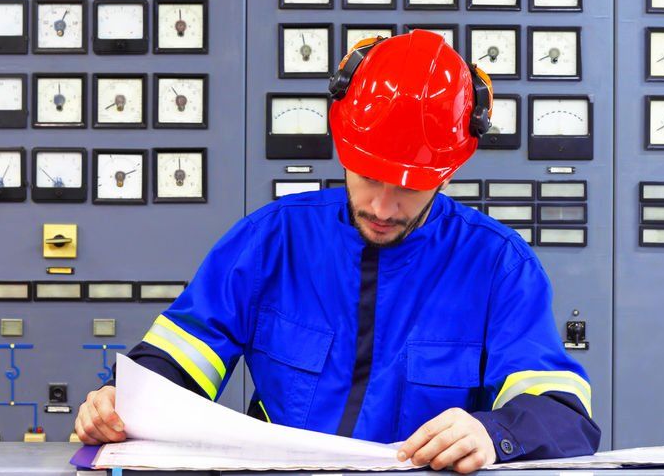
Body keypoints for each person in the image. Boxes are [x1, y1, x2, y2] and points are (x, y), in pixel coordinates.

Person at [75, 30, 601, 472]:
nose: (383, 206)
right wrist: (115, 404)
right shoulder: (271, 242)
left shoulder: (499, 267)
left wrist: (495, 433)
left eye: (411, 187)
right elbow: (175, 362)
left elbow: (563, 416)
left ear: (447, 173)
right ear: (342, 147)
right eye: (369, 176)